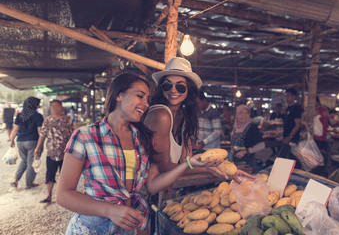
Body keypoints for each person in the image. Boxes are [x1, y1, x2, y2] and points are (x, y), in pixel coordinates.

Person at [56, 73, 225, 234]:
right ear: (119, 95)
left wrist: (189, 164)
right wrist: (110, 211)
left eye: (147, 99)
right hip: (91, 229)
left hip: (130, 226)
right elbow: (64, 195)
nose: (145, 103)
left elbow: (152, 185)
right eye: (140, 96)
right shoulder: (86, 136)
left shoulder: (142, 140)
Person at [144, 57, 251, 180]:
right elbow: (162, 167)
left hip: (163, 184)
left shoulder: (184, 116)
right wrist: (207, 169)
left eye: (180, 87)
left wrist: (220, 169)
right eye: (167, 85)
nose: (173, 90)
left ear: (189, 89)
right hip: (144, 189)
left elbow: (186, 161)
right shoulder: (161, 115)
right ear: (161, 88)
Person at [34, 100, 74, 203]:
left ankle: (64, 197)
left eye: (57, 106)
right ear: (50, 108)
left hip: (66, 152)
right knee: (50, 174)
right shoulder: (47, 120)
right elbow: (42, 134)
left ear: (61, 107)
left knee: (65, 175)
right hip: (51, 152)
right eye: (53, 106)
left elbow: (73, 135)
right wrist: (38, 147)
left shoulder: (67, 119)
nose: (55, 108)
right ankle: (49, 195)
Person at [10, 97, 44, 189]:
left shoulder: (19, 115)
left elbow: (15, 129)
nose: (38, 106)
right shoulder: (38, 116)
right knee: (31, 162)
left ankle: (15, 180)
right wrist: (41, 144)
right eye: (37, 104)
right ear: (34, 105)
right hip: (33, 142)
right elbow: (40, 132)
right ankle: (29, 183)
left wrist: (11, 140)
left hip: (20, 141)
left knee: (24, 161)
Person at [230, 105, 265, 172]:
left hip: (248, 165)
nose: (244, 115)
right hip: (235, 164)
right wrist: (232, 149)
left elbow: (262, 145)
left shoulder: (252, 127)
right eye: (241, 113)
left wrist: (244, 152)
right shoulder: (235, 128)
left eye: (246, 113)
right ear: (236, 115)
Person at [277, 88, 303, 164]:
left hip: (292, 139)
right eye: (285, 96)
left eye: (288, 96)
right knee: (290, 160)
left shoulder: (297, 108)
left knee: (281, 159)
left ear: (294, 96)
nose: (286, 98)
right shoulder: (288, 108)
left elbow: (297, 125)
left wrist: (290, 137)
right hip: (287, 137)